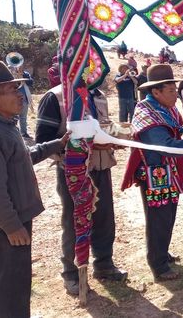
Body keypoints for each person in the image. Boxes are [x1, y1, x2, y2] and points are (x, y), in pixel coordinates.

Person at [0, 60, 68, 317]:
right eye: (13, 89)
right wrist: (11, 225)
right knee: (12, 287)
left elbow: (24, 157)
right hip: (3, 227)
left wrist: (58, 143)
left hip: (10, 222)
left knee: (11, 283)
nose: (21, 95)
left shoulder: (3, 124)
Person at [121, 64, 183, 281]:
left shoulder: (168, 108)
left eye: (176, 90)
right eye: (172, 91)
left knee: (168, 215)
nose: (177, 94)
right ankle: (158, 265)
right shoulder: (145, 111)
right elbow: (165, 144)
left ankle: (162, 253)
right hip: (155, 174)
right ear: (156, 92)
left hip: (169, 171)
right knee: (158, 218)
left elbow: (178, 136)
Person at [36, 86, 128, 295]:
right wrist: (81, 146)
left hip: (101, 167)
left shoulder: (99, 95)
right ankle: (71, 273)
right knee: (73, 222)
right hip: (72, 170)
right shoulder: (55, 97)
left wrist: (113, 140)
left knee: (104, 218)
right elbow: (43, 141)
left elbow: (102, 128)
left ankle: (104, 264)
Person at [9, 65, 34, 139]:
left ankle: (24, 133)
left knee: (23, 117)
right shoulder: (9, 73)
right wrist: (13, 74)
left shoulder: (25, 73)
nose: (16, 67)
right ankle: (12, 134)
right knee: (13, 118)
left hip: (24, 99)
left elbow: (31, 82)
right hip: (12, 99)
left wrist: (23, 75)